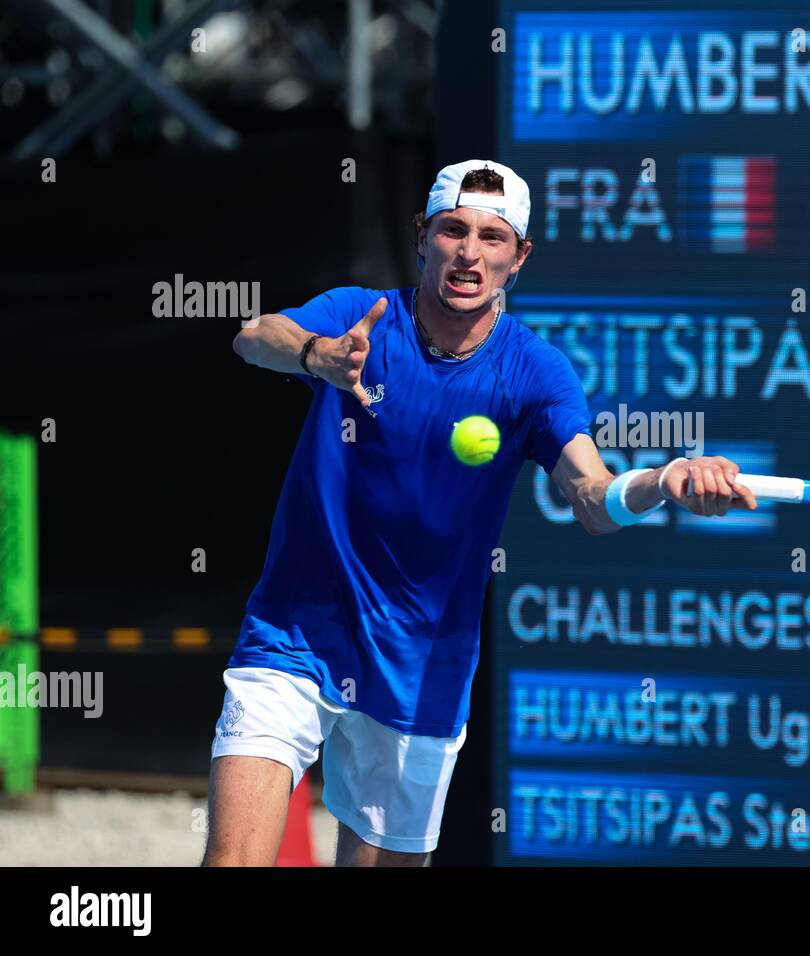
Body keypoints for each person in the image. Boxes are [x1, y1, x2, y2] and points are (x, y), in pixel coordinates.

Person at [203, 159, 757, 866]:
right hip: (295, 634)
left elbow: (592, 498)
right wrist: (316, 355)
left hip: (420, 667)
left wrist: (666, 478)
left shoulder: (535, 372)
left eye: (493, 238)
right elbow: (253, 335)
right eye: (453, 230)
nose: (470, 252)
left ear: (519, 257)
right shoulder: (358, 316)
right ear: (423, 237)